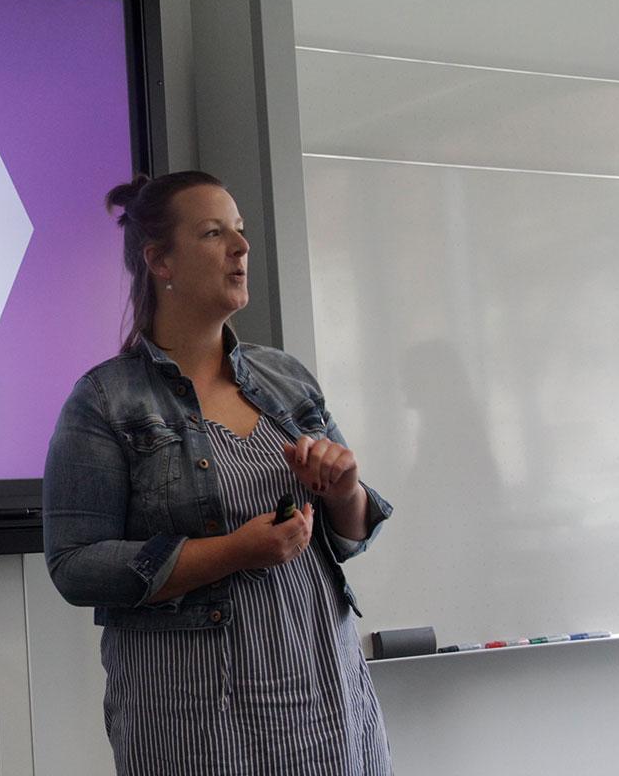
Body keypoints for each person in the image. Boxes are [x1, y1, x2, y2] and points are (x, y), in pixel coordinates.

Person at [43, 171, 393, 775]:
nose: (241, 247)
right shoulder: (105, 400)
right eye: (214, 233)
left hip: (328, 708)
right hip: (196, 723)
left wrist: (345, 490)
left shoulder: (285, 376)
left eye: (240, 231)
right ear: (160, 261)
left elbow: (353, 533)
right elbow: (74, 566)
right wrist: (233, 551)